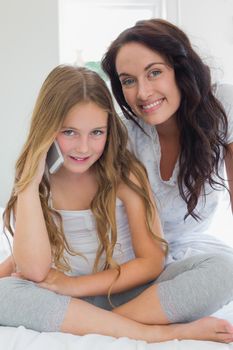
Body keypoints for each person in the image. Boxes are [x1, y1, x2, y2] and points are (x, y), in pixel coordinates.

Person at [0, 64, 232, 343]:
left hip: (130, 292)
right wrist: (28, 184)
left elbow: (151, 262)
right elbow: (35, 270)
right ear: (47, 129)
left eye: (96, 132)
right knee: (6, 295)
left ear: (109, 129)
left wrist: (73, 286)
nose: (84, 147)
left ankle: (103, 324)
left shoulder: (125, 174)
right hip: (64, 300)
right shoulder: (38, 181)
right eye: (69, 132)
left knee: (223, 268)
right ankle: (155, 331)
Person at [101, 18, 233, 325]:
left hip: (183, 261)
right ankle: (112, 322)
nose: (143, 93)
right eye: (128, 81)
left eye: (154, 72)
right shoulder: (125, 132)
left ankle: (101, 320)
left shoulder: (222, 106)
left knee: (225, 273)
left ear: (180, 69)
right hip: (126, 262)